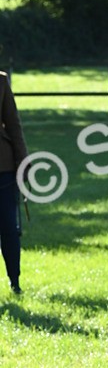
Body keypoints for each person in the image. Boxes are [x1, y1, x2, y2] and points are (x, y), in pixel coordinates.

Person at [0, 71, 27, 295]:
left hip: (4, 168)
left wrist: (22, 161)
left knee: (9, 228)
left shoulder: (1, 81)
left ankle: (14, 279)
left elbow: (13, 124)